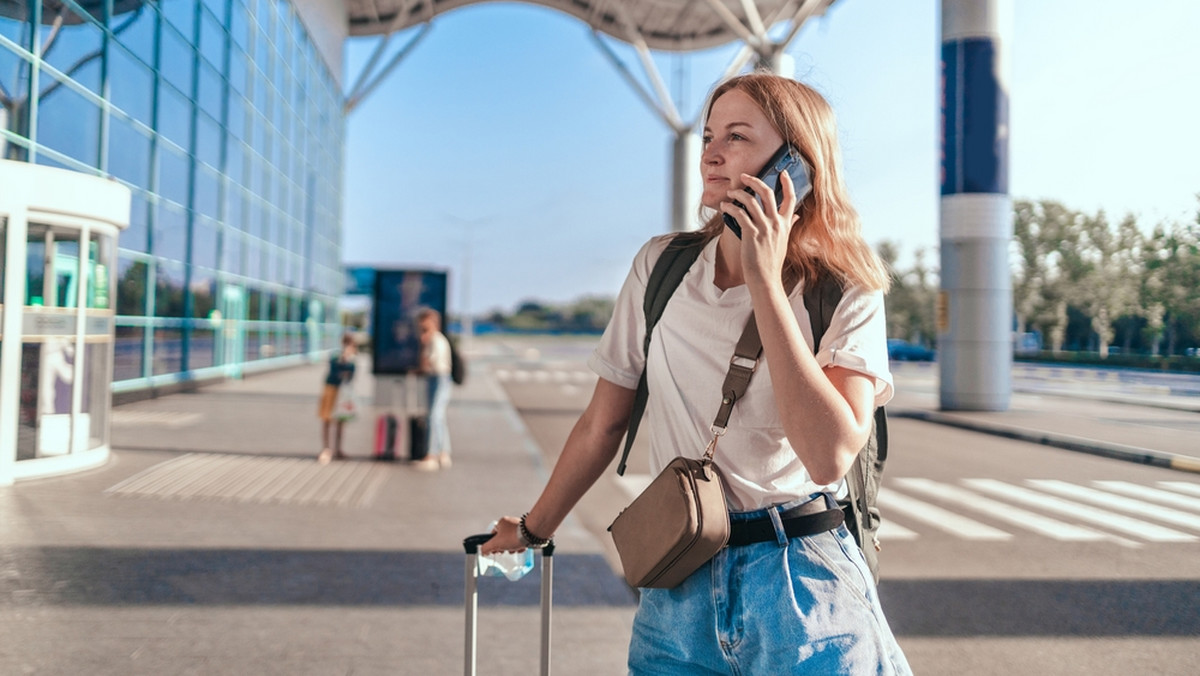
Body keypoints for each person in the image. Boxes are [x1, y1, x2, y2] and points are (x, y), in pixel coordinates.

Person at [482, 72, 912, 674]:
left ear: (796, 164)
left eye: (737, 136)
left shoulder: (843, 290)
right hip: (678, 580)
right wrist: (532, 531)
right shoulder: (662, 268)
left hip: (803, 585)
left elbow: (828, 456)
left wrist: (766, 278)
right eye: (710, 134)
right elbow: (600, 425)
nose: (710, 152)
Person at [414, 307, 453, 470]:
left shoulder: (435, 340)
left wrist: (423, 346)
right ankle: (444, 453)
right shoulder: (437, 339)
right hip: (438, 378)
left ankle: (432, 454)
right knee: (439, 417)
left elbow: (428, 362)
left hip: (439, 378)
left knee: (434, 416)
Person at [317, 333, 357, 464]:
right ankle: (326, 448)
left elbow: (350, 375)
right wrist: (344, 362)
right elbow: (335, 371)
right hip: (331, 389)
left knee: (341, 420)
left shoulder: (353, 359)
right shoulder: (335, 355)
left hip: (343, 392)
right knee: (327, 418)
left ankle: (338, 448)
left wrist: (346, 365)